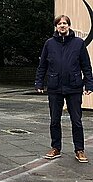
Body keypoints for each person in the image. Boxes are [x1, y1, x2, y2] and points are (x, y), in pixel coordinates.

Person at [35, 14, 93, 163]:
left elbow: (86, 66)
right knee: (54, 120)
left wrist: (89, 84)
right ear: (56, 27)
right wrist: (39, 83)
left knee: (77, 121)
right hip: (55, 87)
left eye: (65, 23)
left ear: (69, 26)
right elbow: (42, 66)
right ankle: (56, 148)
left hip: (74, 87)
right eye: (59, 23)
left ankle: (79, 150)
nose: (62, 26)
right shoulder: (49, 44)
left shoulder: (78, 43)